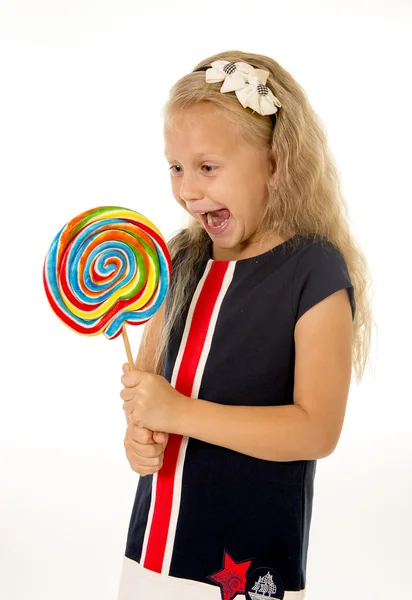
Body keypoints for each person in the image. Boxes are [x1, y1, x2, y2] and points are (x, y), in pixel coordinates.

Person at [117, 50, 373, 600]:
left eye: (208, 167)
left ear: (276, 162)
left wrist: (179, 412)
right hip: (154, 550)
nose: (187, 189)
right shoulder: (173, 263)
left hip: (246, 567)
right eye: (176, 167)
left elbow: (316, 430)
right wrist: (140, 435)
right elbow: (150, 397)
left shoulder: (314, 270)